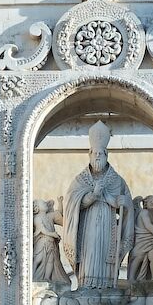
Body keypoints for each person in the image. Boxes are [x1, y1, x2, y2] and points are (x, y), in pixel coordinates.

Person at [60, 122, 135, 286]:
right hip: (87, 227)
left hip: (108, 225)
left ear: (107, 154)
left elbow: (127, 205)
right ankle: (86, 284)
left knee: (104, 253)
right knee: (91, 252)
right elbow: (72, 203)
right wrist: (93, 195)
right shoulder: (81, 180)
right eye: (95, 153)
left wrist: (124, 203)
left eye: (101, 153)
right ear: (89, 154)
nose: (98, 156)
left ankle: (107, 284)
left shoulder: (117, 180)